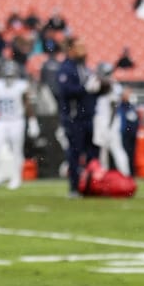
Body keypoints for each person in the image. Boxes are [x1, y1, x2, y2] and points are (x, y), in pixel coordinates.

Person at [56, 37, 104, 198]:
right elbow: (65, 91)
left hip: (89, 116)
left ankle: (91, 185)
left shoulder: (85, 67)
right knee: (75, 153)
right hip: (74, 118)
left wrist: (99, 88)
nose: (83, 51)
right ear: (70, 49)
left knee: (92, 153)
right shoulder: (66, 68)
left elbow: (91, 91)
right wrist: (85, 88)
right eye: (79, 47)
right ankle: (74, 187)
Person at [0, 61, 31, 190]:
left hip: (17, 120)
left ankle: (16, 177)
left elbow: (27, 103)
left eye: (11, 76)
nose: (9, 78)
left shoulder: (21, 86)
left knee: (16, 150)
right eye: (7, 76)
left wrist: (32, 120)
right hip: (2, 121)